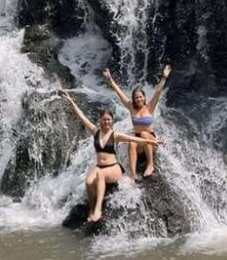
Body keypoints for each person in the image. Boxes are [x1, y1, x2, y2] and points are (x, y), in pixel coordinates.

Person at [58, 90, 164, 222]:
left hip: (113, 168)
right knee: (89, 181)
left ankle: (98, 211)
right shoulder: (95, 132)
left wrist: (153, 141)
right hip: (99, 166)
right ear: (100, 121)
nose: (106, 122)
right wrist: (71, 102)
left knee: (100, 175)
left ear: (112, 121)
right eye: (104, 120)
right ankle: (91, 209)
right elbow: (82, 117)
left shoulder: (115, 135)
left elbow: (136, 139)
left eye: (108, 120)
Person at [103, 64, 172, 179]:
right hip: (139, 143)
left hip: (151, 140)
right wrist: (110, 80)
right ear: (134, 99)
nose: (139, 99)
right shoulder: (131, 108)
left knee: (144, 133)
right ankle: (132, 175)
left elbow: (158, 92)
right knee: (132, 141)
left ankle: (150, 165)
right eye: (136, 98)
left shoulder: (150, 107)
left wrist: (164, 77)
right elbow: (119, 93)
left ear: (144, 98)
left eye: (141, 97)